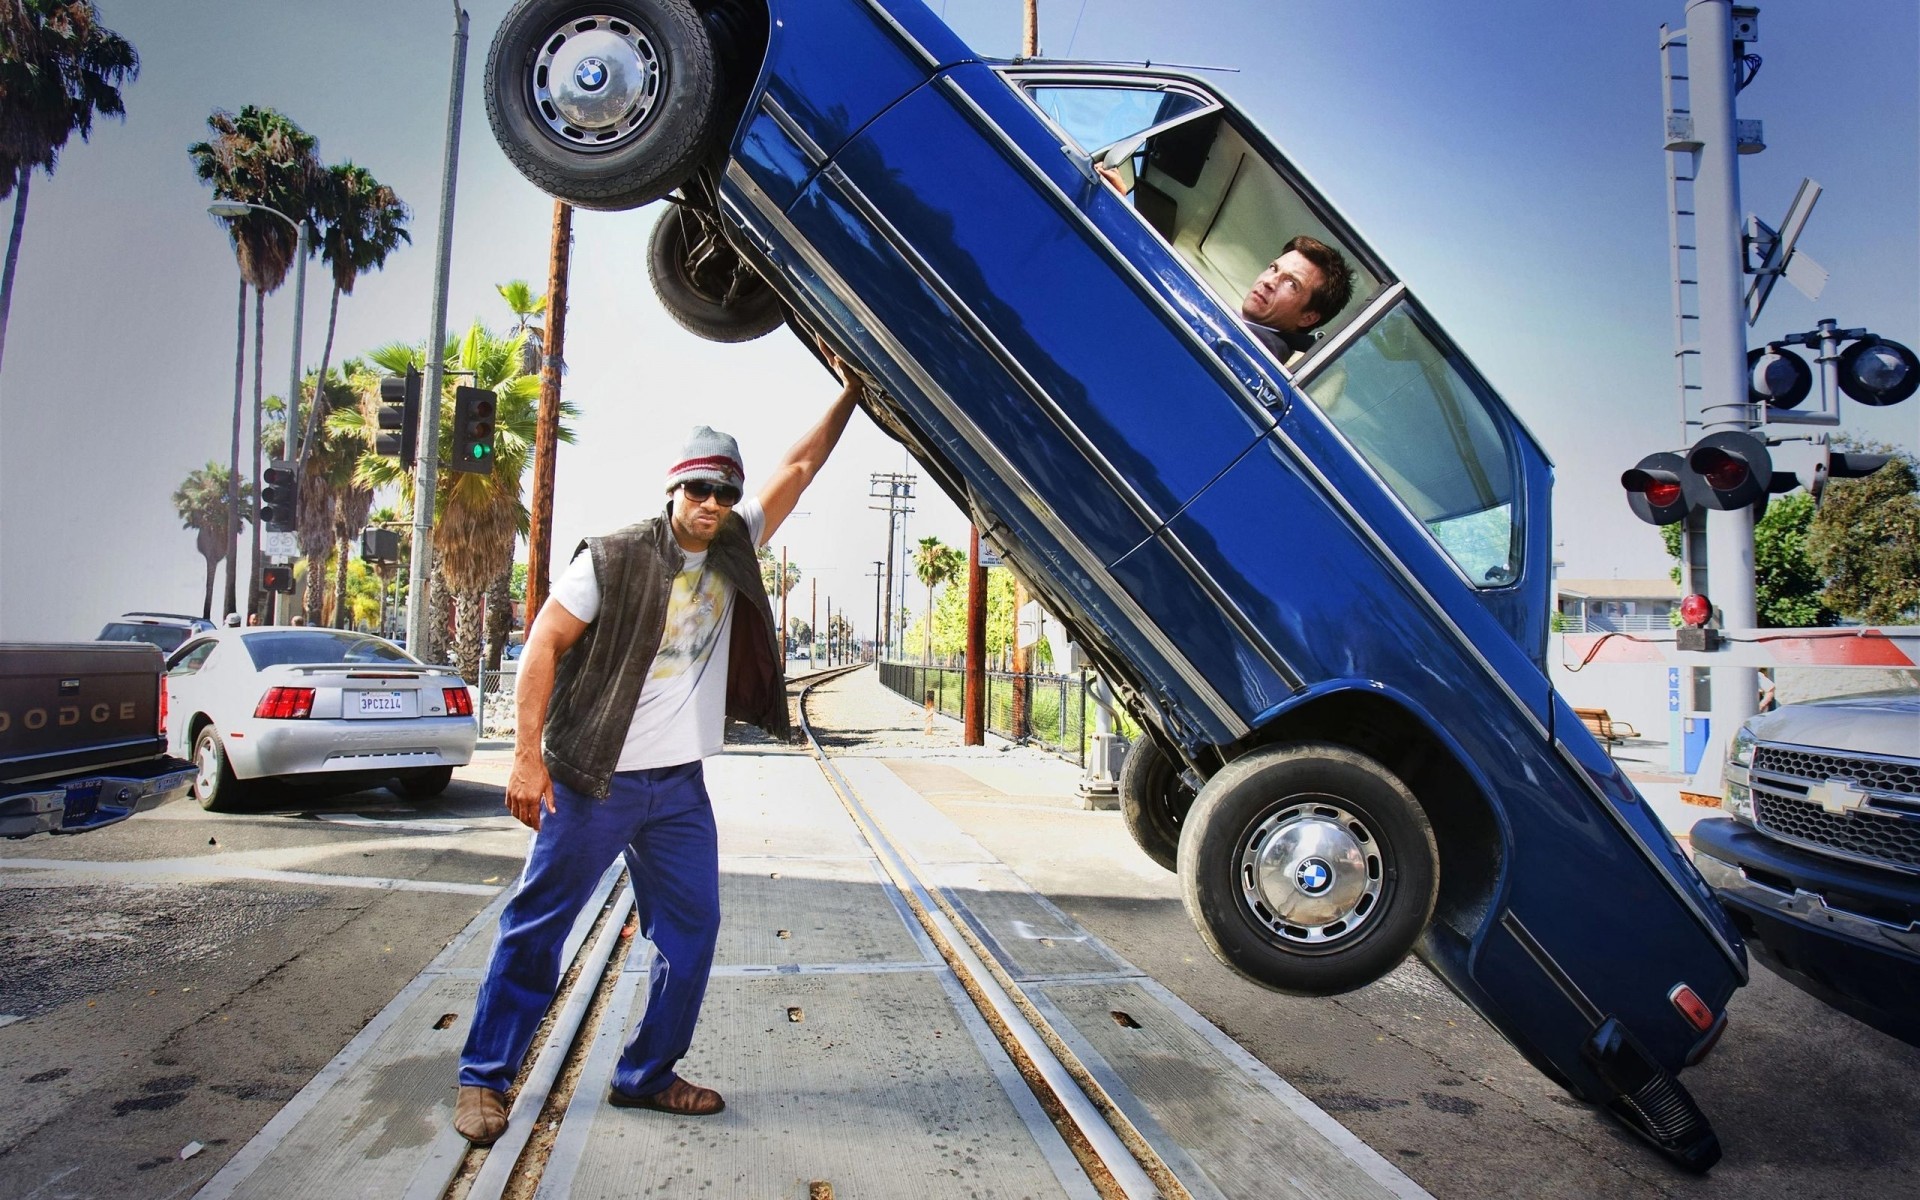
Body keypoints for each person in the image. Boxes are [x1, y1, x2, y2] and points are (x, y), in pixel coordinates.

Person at [452, 353, 864, 1145]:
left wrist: (849, 391)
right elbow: (541, 646)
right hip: (591, 779)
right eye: (700, 489)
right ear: (673, 489)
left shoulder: (737, 541)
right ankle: (483, 1077)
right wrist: (526, 759)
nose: (713, 504)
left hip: (676, 786)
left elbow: (802, 464)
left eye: (725, 492)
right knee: (541, 925)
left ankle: (645, 1073)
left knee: (692, 929)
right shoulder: (610, 558)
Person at [1236, 234, 1355, 361]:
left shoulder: (1255, 350)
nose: (1269, 281)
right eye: (1273, 268)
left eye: (1291, 283)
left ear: (1307, 318)